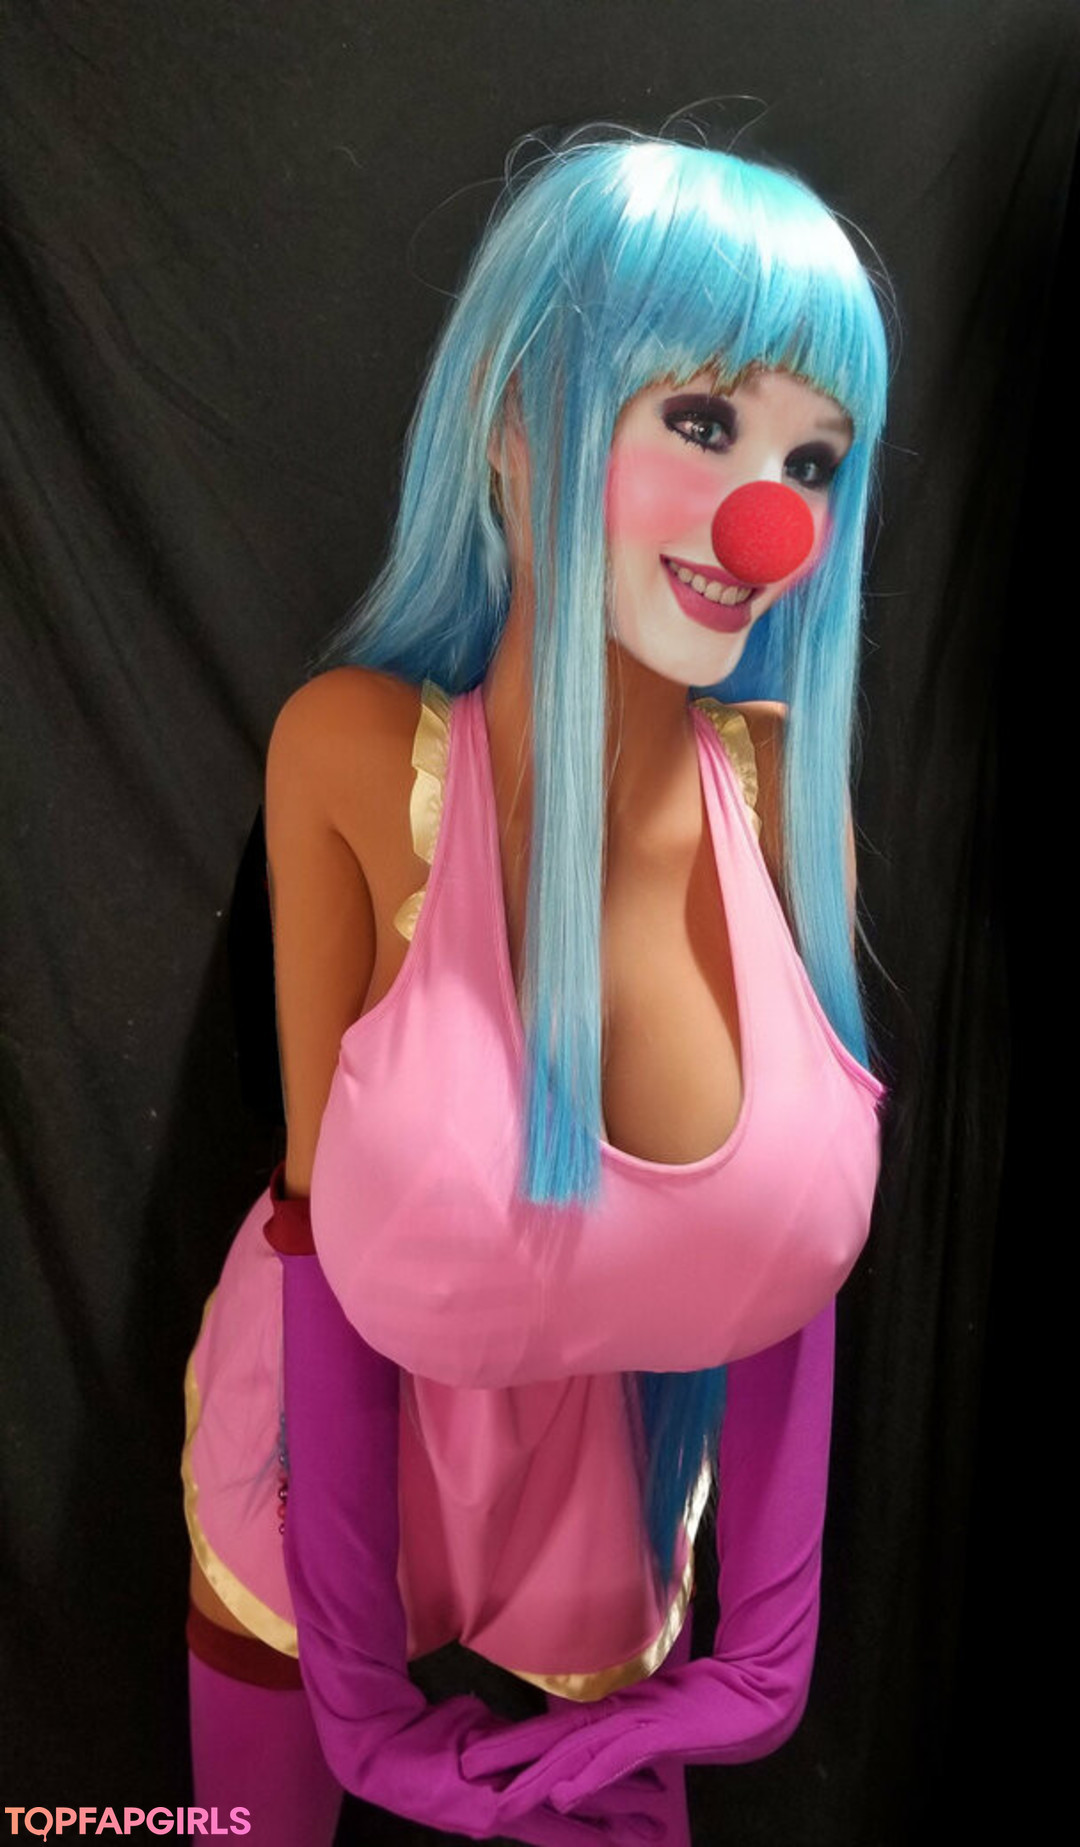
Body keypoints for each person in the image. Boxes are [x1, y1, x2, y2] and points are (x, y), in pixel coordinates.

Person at [182, 130, 889, 1845]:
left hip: (611, 1477)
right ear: (518, 427)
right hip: (331, 1463)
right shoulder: (355, 760)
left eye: (812, 458)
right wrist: (359, 1707)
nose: (770, 522)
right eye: (703, 422)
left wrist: (765, 1661)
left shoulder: (787, 803)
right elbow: (314, 1228)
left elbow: (794, 1254)